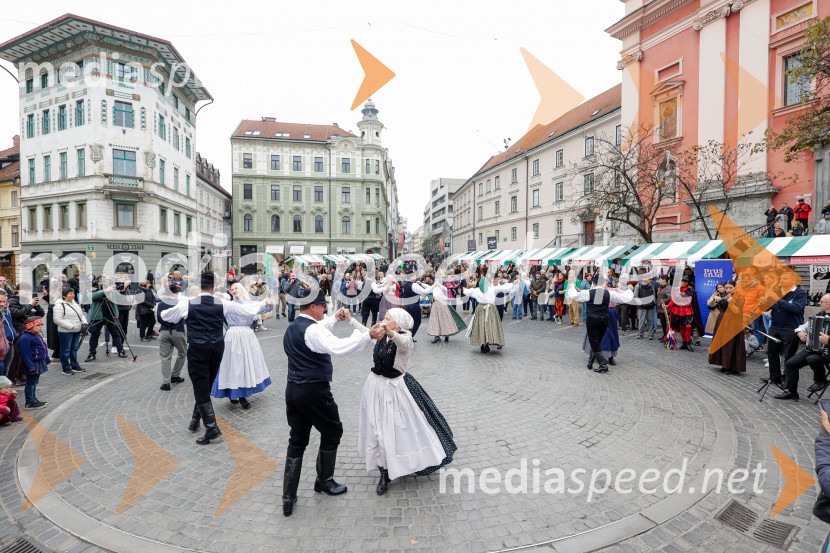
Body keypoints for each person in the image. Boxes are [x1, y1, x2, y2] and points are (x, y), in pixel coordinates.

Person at [280, 291, 382, 517]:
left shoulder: (294, 327)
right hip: (314, 390)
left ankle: (288, 497)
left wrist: (334, 319)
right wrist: (367, 336)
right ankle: (324, 480)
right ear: (314, 307)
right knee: (333, 431)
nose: (324, 310)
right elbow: (338, 347)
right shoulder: (314, 329)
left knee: (296, 439)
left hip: (293, 389)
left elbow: (316, 333)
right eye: (323, 307)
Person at [343, 307, 455, 494]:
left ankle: (398, 464)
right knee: (377, 429)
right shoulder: (381, 333)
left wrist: (390, 332)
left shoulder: (405, 338)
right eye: (384, 317)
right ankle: (383, 471)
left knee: (396, 430)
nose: (383, 320)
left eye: (388, 318)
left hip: (395, 389)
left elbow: (404, 342)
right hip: (376, 387)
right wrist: (349, 319)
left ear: (398, 323)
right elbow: (366, 333)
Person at [160, 272, 267, 445]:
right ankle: (195, 419)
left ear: (199, 287)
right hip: (217, 347)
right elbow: (248, 310)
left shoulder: (188, 304)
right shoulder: (223, 303)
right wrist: (263, 303)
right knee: (206, 384)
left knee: (200, 385)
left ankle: (212, 429)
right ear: (213, 288)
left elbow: (166, 316)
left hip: (198, 348)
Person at [211, 283, 273, 409]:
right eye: (232, 289)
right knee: (233, 364)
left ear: (242, 289)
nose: (234, 291)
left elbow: (266, 309)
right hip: (233, 335)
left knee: (246, 364)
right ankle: (236, 393)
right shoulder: (228, 303)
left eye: (236, 288)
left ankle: (242, 393)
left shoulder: (250, 303)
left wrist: (268, 302)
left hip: (247, 336)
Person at [568, 274, 633, 373]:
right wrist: (629, 290)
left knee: (594, 341)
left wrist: (572, 287)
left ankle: (603, 365)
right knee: (597, 341)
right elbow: (624, 298)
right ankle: (590, 362)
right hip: (604, 319)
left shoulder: (589, 293)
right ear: (603, 282)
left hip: (593, 320)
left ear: (593, 283)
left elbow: (574, 295)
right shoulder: (609, 293)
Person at [775, 293, 830, 401]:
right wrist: (800, 332)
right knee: (790, 363)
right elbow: (803, 326)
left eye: (822, 301)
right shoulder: (820, 315)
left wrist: (828, 340)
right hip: (814, 349)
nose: (819, 303)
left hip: (828, 351)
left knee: (812, 359)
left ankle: (821, 380)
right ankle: (792, 392)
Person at [762, 270, 808, 388]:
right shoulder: (777, 291)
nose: (781, 281)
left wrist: (778, 299)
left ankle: (787, 379)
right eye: (781, 279)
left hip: (791, 328)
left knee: (788, 355)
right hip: (775, 326)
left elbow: (796, 308)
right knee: (772, 353)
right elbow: (767, 308)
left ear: (794, 280)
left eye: (785, 279)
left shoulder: (800, 293)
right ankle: (774, 376)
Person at [461, 272, 514, 353]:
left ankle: (483, 344)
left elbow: (466, 291)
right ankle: (487, 343)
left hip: (481, 309)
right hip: (490, 309)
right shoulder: (491, 289)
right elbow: (504, 288)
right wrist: (512, 283)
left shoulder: (477, 290)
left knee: (481, 326)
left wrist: (464, 288)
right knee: (490, 326)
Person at [707, 280, 747, 375]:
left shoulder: (739, 297)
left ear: (735, 288)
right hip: (722, 320)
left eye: (730, 288)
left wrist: (731, 303)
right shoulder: (722, 296)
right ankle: (724, 364)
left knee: (731, 343)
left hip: (733, 322)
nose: (728, 290)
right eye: (726, 288)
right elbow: (710, 305)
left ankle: (733, 366)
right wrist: (714, 299)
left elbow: (738, 311)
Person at [156, 283, 187, 391]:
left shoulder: (160, 304)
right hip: (178, 331)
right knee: (182, 353)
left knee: (165, 357)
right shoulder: (180, 303)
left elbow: (159, 319)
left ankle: (165, 382)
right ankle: (175, 375)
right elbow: (184, 317)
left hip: (164, 331)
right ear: (175, 293)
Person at [53, 286, 87, 376]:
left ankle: (75, 365)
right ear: (64, 296)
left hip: (77, 329)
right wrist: (71, 326)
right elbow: (57, 320)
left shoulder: (74, 303)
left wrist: (84, 322)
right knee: (65, 350)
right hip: (66, 331)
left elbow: (80, 314)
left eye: (73, 293)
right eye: (70, 293)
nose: (73, 295)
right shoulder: (59, 305)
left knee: (74, 349)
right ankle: (66, 368)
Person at [17, 316, 50, 409]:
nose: (40, 327)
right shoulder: (25, 338)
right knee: (30, 382)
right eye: (38, 325)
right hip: (32, 363)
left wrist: (46, 359)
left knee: (34, 382)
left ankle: (34, 399)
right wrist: (30, 366)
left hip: (38, 362)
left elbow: (43, 347)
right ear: (30, 326)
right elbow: (25, 354)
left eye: (41, 325)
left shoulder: (36, 335)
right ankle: (30, 401)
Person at [667, 275, 696, 351]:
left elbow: (692, 301)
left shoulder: (690, 290)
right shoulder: (676, 290)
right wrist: (667, 306)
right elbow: (673, 300)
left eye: (683, 281)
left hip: (687, 310)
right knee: (681, 327)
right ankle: (684, 343)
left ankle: (687, 342)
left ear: (686, 283)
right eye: (680, 281)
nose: (681, 283)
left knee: (688, 326)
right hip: (677, 310)